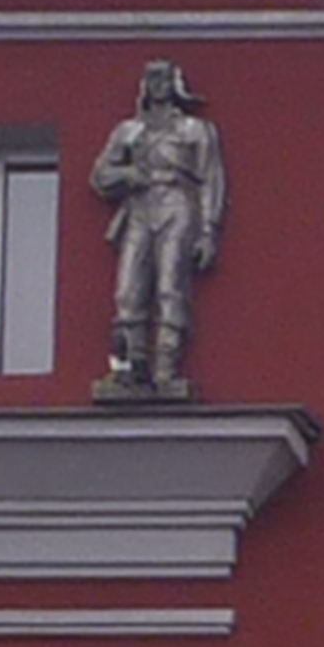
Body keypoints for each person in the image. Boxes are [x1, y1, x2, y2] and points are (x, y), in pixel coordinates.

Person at [89, 61, 227, 404]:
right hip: (139, 206)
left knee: (170, 286)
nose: (159, 85)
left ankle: (166, 370)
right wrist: (128, 174)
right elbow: (101, 175)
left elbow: (211, 181)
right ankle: (132, 366)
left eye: (164, 78)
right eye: (152, 78)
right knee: (127, 289)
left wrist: (208, 230)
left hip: (177, 204)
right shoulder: (129, 131)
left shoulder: (195, 130)